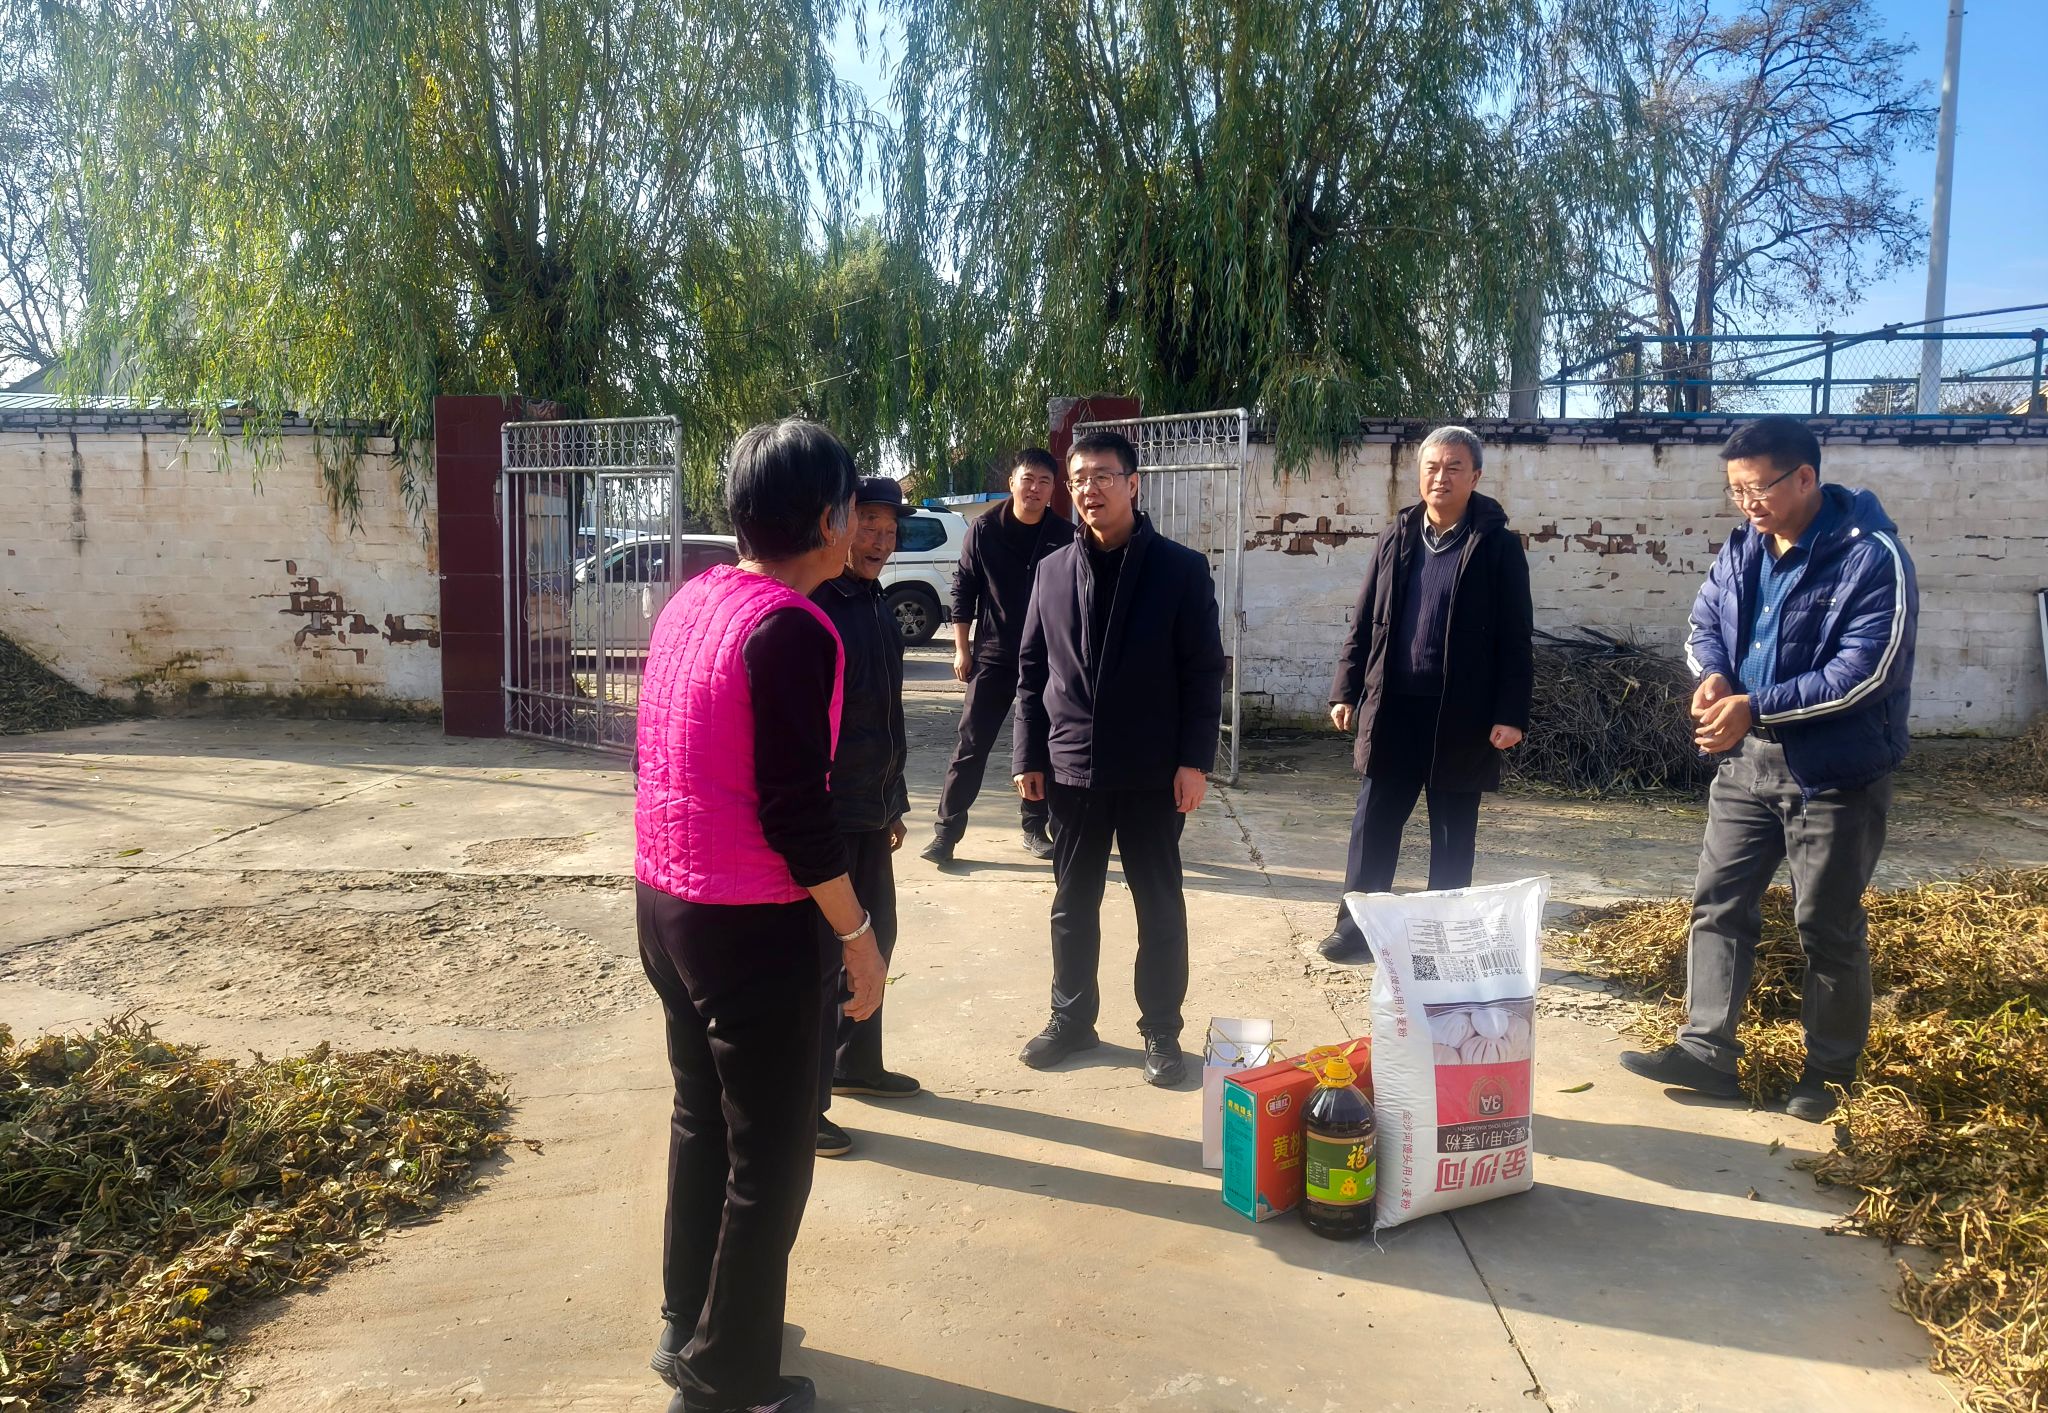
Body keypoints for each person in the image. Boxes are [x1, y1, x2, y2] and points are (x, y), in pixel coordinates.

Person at [634, 419, 887, 1413]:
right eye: (852, 507)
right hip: (748, 923)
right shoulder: (792, 630)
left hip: (667, 903)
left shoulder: (694, 600)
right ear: (826, 520)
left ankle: (688, 1321)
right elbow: (796, 816)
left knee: (702, 1118)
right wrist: (858, 937)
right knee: (771, 1161)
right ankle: (725, 1380)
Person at [1620, 414, 1918, 1124]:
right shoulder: (1742, 547)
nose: (1747, 503)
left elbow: (1865, 671)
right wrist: (1714, 677)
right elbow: (1704, 624)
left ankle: (1829, 1072)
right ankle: (1706, 1049)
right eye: (1736, 490)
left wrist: (1756, 705)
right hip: (1745, 763)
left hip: (1834, 773)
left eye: (1758, 488)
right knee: (1718, 903)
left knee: (1825, 923)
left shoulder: (1870, 556)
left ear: (1805, 477)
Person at [1011, 429, 1226, 1086]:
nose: (1089, 489)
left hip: (1153, 771)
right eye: (1079, 479)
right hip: (1072, 770)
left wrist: (1194, 760)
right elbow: (1031, 672)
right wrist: (1028, 754)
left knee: (1158, 905)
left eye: (1103, 476)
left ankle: (1161, 1028)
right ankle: (1071, 1019)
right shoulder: (1051, 571)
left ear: (1133, 484)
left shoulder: (1180, 569)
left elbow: (1203, 671)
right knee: (1072, 904)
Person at [1319, 425, 1533, 963]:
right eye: (1432, 467)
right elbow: (1364, 621)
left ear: (1475, 476)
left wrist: (1510, 713)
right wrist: (1346, 690)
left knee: (1453, 833)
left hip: (1462, 713)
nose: (1441, 477)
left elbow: (1515, 636)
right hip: (1393, 706)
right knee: (1373, 824)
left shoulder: (1498, 546)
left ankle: (1445, 940)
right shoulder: (1396, 538)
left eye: (1454, 467)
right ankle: (1356, 929)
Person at [811, 476, 920, 1159]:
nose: (880, 540)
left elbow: (887, 716)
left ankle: (857, 1062)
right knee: (829, 956)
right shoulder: (821, 603)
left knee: (879, 936)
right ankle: (806, 1101)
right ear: (842, 528)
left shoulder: (877, 603)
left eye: (889, 530)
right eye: (869, 526)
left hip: (872, 806)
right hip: (829, 809)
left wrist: (894, 800)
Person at [922, 448, 1076, 865]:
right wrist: (961, 649)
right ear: (1012, 483)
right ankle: (945, 834)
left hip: (1048, 661)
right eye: (1028, 479)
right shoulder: (985, 529)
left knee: (1042, 747)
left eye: (1044, 481)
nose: (1035, 488)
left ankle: (1035, 827)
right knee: (971, 744)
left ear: (1053, 489)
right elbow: (964, 590)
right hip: (994, 654)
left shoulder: (1065, 535)